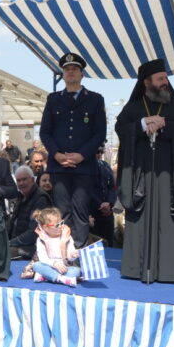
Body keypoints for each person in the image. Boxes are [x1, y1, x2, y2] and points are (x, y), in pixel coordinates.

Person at [115, 59, 174, 283]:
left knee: (170, 222)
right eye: (160, 79)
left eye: (165, 78)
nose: (165, 82)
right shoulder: (133, 108)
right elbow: (120, 128)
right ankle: (137, 268)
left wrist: (163, 124)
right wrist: (142, 124)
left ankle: (171, 271)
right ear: (146, 82)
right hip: (141, 177)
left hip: (170, 178)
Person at [40, 53, 107, 248]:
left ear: (81, 74)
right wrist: (57, 155)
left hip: (84, 167)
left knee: (81, 211)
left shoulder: (95, 99)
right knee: (62, 212)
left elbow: (99, 133)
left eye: (75, 69)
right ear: (63, 74)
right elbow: (45, 132)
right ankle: (64, 251)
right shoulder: (53, 99)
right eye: (67, 69)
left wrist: (81, 155)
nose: (70, 72)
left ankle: (79, 251)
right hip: (59, 166)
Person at [8, 165, 52, 258]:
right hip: (18, 243)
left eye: (24, 179)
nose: (21, 183)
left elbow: (34, 232)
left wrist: (10, 243)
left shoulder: (41, 198)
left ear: (32, 180)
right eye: (18, 180)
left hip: (34, 248)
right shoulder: (21, 196)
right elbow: (12, 224)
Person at [32, 207, 81, 286]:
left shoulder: (66, 236)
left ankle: (46, 276)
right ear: (45, 227)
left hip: (64, 268)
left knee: (76, 271)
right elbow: (43, 258)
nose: (61, 226)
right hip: (49, 266)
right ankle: (61, 279)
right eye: (57, 225)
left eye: (62, 223)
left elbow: (69, 259)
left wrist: (72, 255)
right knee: (36, 265)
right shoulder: (41, 239)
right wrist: (54, 264)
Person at [89, 146, 117, 244]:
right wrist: (100, 205)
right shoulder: (85, 168)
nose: (100, 154)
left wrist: (109, 203)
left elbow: (112, 187)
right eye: (97, 152)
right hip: (93, 212)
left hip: (107, 212)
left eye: (102, 151)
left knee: (109, 241)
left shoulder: (106, 166)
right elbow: (86, 189)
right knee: (96, 243)